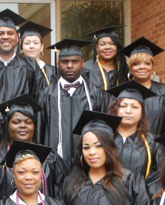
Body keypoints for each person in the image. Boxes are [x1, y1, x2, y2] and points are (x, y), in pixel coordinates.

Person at [37, 39, 112, 169]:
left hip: (88, 165)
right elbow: (39, 133)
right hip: (54, 165)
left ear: (82, 63)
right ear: (58, 64)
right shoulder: (46, 95)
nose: (70, 65)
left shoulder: (96, 94)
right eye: (65, 62)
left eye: (74, 61)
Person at [0, 95, 67, 201]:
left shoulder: (50, 157)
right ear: (7, 126)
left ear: (34, 126)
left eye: (28, 122)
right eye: (16, 122)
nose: (23, 125)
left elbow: (60, 193)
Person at [107, 80, 164, 195]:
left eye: (134, 107)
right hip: (107, 197)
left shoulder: (153, 142)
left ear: (142, 112)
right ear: (115, 109)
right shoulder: (105, 137)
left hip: (141, 199)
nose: (128, 111)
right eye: (123, 106)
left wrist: (142, 195)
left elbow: (159, 174)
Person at [0, 9, 44, 103]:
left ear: (17, 38)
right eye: (0, 33)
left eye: (10, 33)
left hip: (20, 113)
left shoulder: (30, 64)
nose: (5, 37)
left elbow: (39, 98)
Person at [120, 37, 165, 136]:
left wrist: (162, 144)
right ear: (131, 68)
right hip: (130, 144)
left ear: (152, 66)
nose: (142, 67)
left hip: (160, 144)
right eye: (136, 64)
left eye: (147, 63)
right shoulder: (123, 93)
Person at [83, 26, 128, 91]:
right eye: (102, 44)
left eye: (111, 43)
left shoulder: (123, 68)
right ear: (97, 48)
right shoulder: (86, 68)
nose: (107, 47)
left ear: (117, 47)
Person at [18, 21, 55, 87]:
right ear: (21, 48)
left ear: (42, 47)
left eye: (35, 43)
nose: (31, 46)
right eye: (27, 43)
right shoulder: (16, 70)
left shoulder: (52, 71)